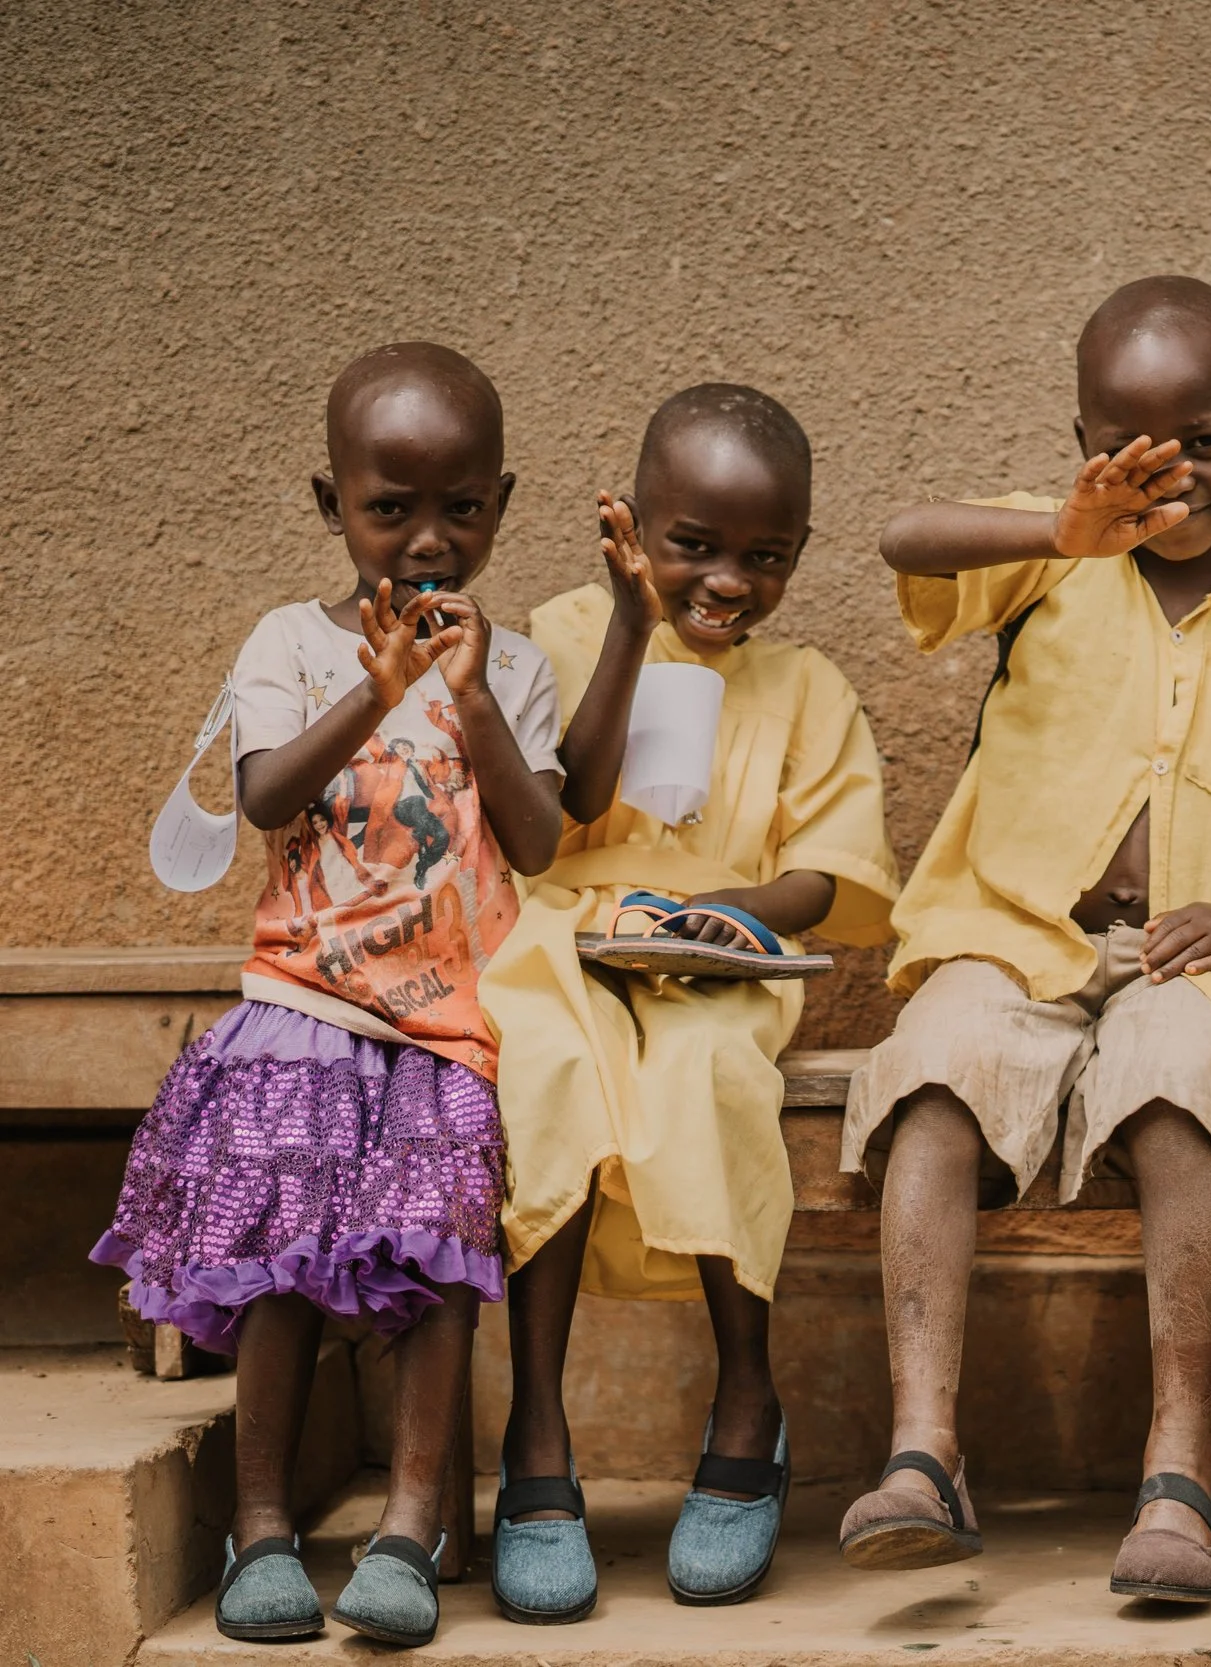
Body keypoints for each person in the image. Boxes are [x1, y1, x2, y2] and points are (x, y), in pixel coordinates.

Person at [841, 276, 1211, 1606]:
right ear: (1083, 442)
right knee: (937, 1073)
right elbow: (904, 537)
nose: (1176, 472)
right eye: (1134, 446)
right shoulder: (1042, 555)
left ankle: (1180, 1458)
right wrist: (1064, 528)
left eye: (1208, 438)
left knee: (1182, 1089)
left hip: (1195, 957)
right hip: (1006, 934)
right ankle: (923, 1448)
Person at [93, 343, 564, 1647]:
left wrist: (467, 705)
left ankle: (409, 1530)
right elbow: (265, 797)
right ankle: (260, 1529)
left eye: (459, 509)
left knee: (426, 1261)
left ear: (502, 505)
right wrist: (382, 684)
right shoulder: (291, 643)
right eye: (388, 506)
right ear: (330, 502)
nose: (425, 538)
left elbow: (535, 844)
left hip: (443, 1025)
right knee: (285, 1260)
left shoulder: (512, 669)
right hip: (301, 1004)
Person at [477, 385, 900, 1614]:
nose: (726, 580)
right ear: (631, 521)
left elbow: (836, 865)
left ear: (799, 554)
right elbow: (541, 826)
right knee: (546, 1063)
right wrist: (626, 622)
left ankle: (750, 1398)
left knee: (712, 1075)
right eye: (691, 546)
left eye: (763, 557)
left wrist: (734, 910)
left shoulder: (810, 688)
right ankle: (538, 1435)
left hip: (722, 947)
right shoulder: (551, 636)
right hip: (564, 930)